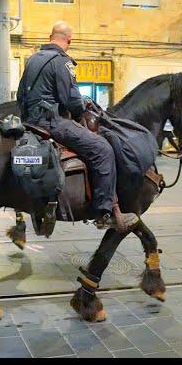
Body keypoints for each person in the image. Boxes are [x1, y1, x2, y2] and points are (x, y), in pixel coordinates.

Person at [16, 21, 138, 231]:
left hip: (30, 122)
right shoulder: (62, 62)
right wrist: (83, 106)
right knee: (103, 149)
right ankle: (104, 212)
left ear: (50, 36)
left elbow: (20, 97)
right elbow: (71, 101)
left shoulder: (33, 59)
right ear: (68, 41)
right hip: (53, 122)